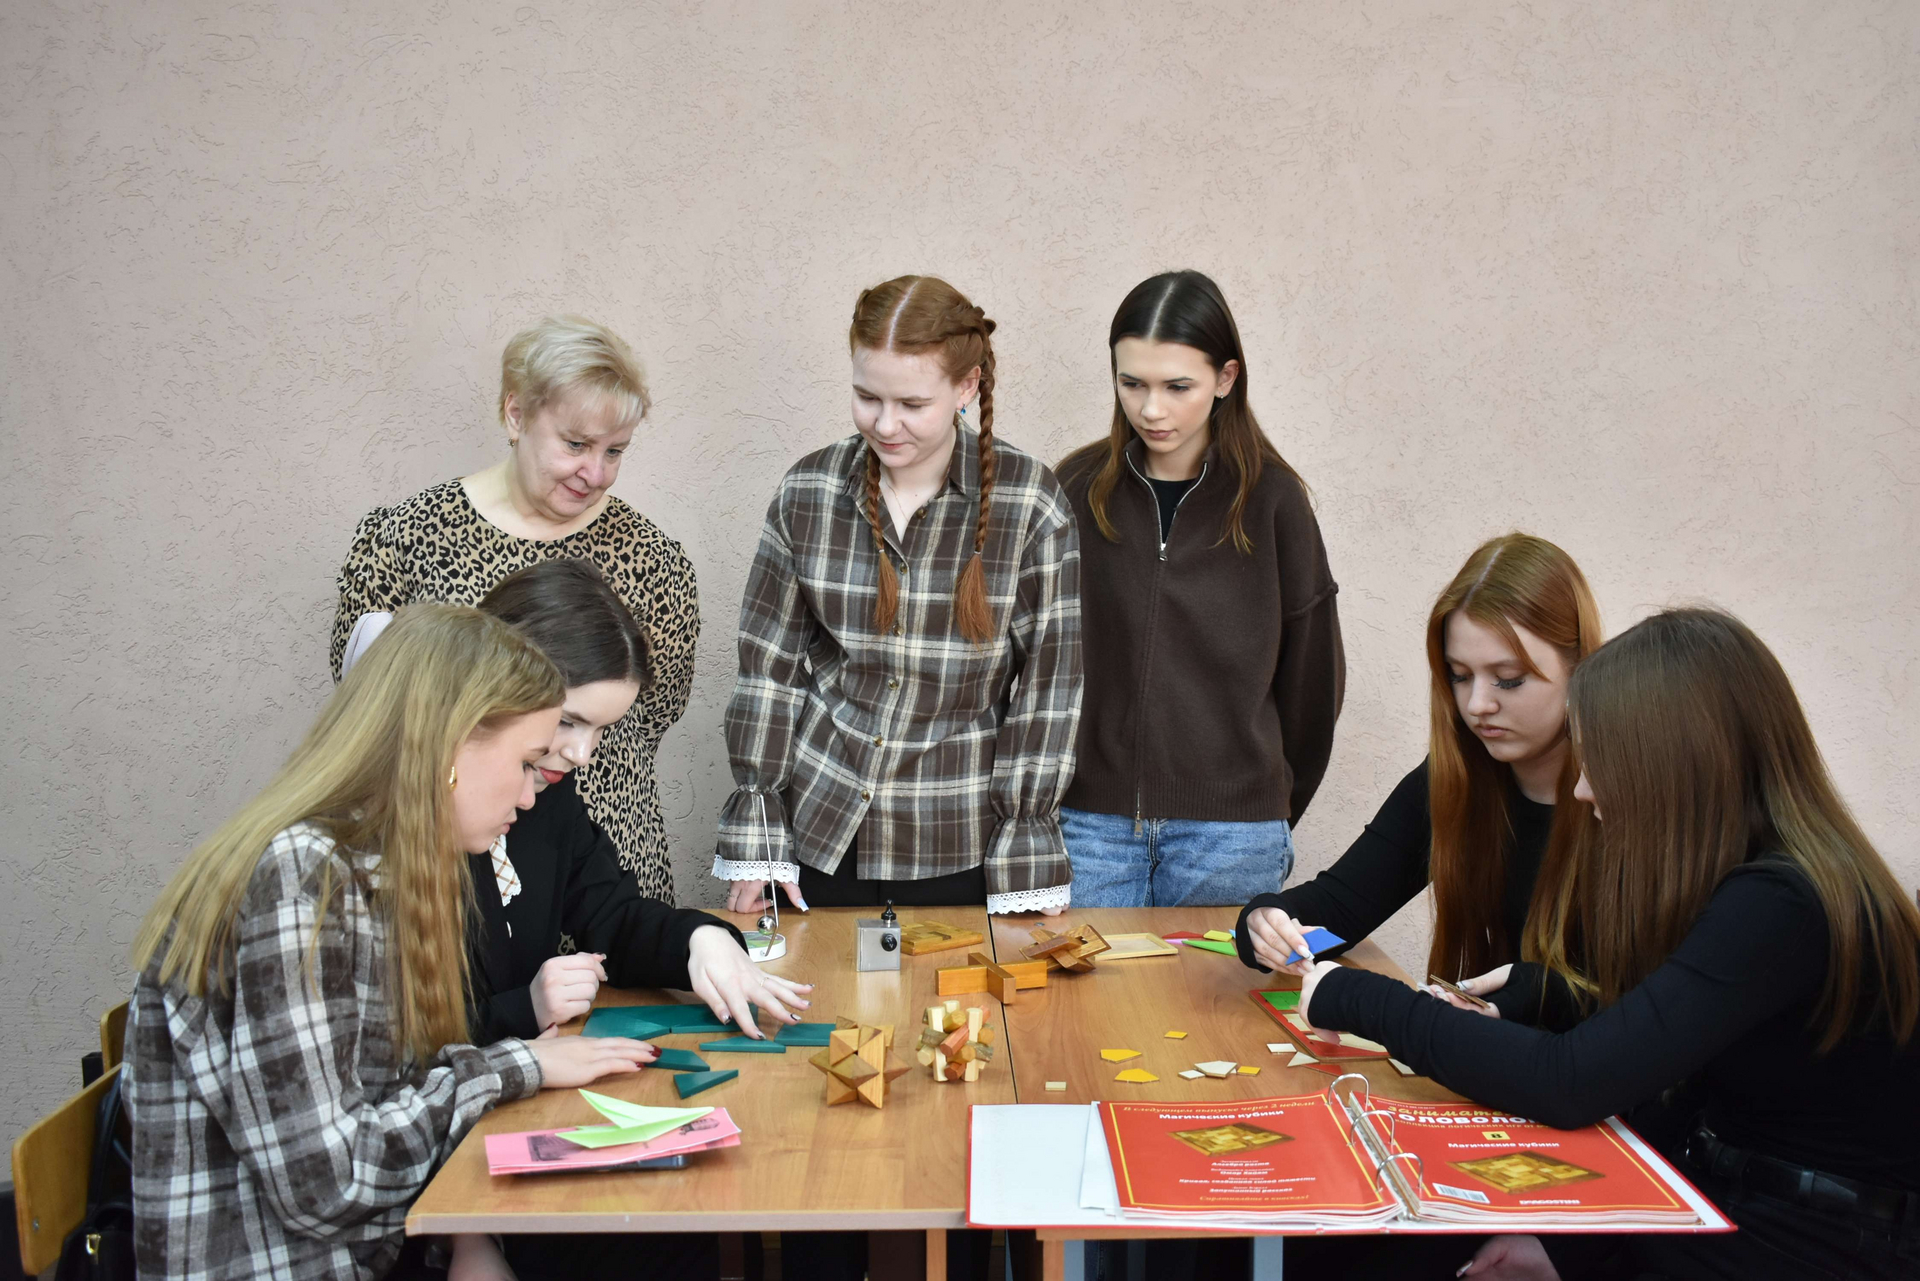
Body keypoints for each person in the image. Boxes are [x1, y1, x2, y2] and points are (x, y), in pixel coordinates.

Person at [1299, 608, 1920, 1279]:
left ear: (1675, 765)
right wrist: (1548, 992)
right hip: (1725, 1199)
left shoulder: (1781, 901)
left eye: (1600, 762)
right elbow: (1673, 1045)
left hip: (1806, 1242)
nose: (1582, 789)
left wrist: (1360, 998)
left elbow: (1572, 1081)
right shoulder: (1760, 877)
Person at [124, 605, 658, 1280]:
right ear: (451, 747)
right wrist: (518, 1065)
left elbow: (395, 1090)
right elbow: (328, 1182)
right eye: (526, 763)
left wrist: (467, 1238)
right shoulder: (301, 881)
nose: (530, 796)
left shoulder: (379, 869)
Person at [712, 274, 1083, 918]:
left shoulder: (1031, 503)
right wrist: (758, 837)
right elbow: (768, 669)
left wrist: (1028, 852)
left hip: (960, 840)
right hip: (818, 833)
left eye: (912, 403)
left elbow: (1050, 689)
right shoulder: (808, 492)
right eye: (866, 397)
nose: (885, 425)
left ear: (966, 386)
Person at [331, 315, 698, 902]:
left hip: (612, 862)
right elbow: (369, 704)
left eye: (615, 451)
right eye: (576, 444)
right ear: (516, 415)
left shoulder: (655, 560)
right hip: (447, 867)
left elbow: (655, 711)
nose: (595, 473)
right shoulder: (408, 537)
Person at [1055, 270, 1344, 906]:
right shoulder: (1075, 489)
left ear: (1225, 378)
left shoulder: (1274, 502)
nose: (1151, 409)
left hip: (1231, 835)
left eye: (1177, 386)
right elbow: (1034, 659)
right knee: (1079, 980)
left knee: (1213, 981)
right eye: (1132, 383)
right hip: (1090, 825)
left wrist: (1262, 802)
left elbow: (1313, 682)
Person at [1236, 533, 1602, 994]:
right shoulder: (1456, 777)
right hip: (1490, 1035)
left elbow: (1638, 1007)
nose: (1477, 704)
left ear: (1580, 666)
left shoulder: (1633, 793)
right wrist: (1264, 924)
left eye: (1508, 679)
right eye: (1459, 676)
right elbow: (1338, 912)